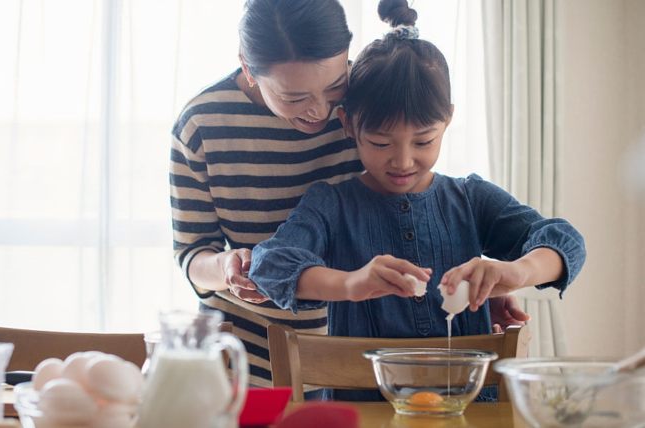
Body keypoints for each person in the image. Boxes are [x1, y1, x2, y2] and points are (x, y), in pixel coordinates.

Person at [170, 0, 530, 391]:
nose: (320, 111)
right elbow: (192, 252)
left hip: (359, 361)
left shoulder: (368, 95)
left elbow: (409, 202)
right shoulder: (202, 124)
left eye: (334, 86)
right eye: (294, 98)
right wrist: (225, 266)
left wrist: (465, 294)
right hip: (249, 360)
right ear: (247, 67)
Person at [248, 0, 586, 402]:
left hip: (467, 412)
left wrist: (515, 273)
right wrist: (352, 284)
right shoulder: (331, 204)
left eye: (424, 140)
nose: (404, 160)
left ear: (449, 120)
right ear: (349, 126)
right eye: (380, 142)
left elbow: (564, 241)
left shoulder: (471, 199)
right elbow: (270, 265)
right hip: (362, 413)